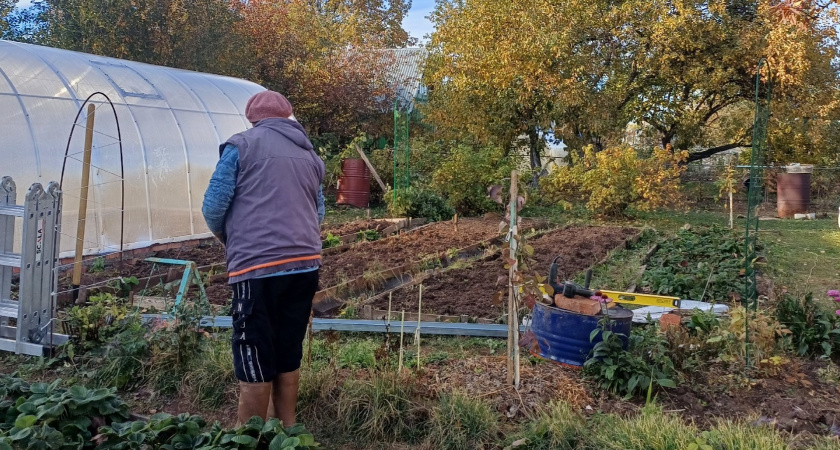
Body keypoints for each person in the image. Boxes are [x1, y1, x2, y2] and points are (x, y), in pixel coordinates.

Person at [201, 90, 325, 426]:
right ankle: (286, 432)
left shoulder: (241, 146)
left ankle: (248, 439)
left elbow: (213, 206)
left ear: (253, 118)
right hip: (305, 265)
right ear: (288, 116)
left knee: (252, 353)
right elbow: (318, 212)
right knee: (287, 350)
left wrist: (230, 238)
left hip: (257, 268)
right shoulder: (310, 154)